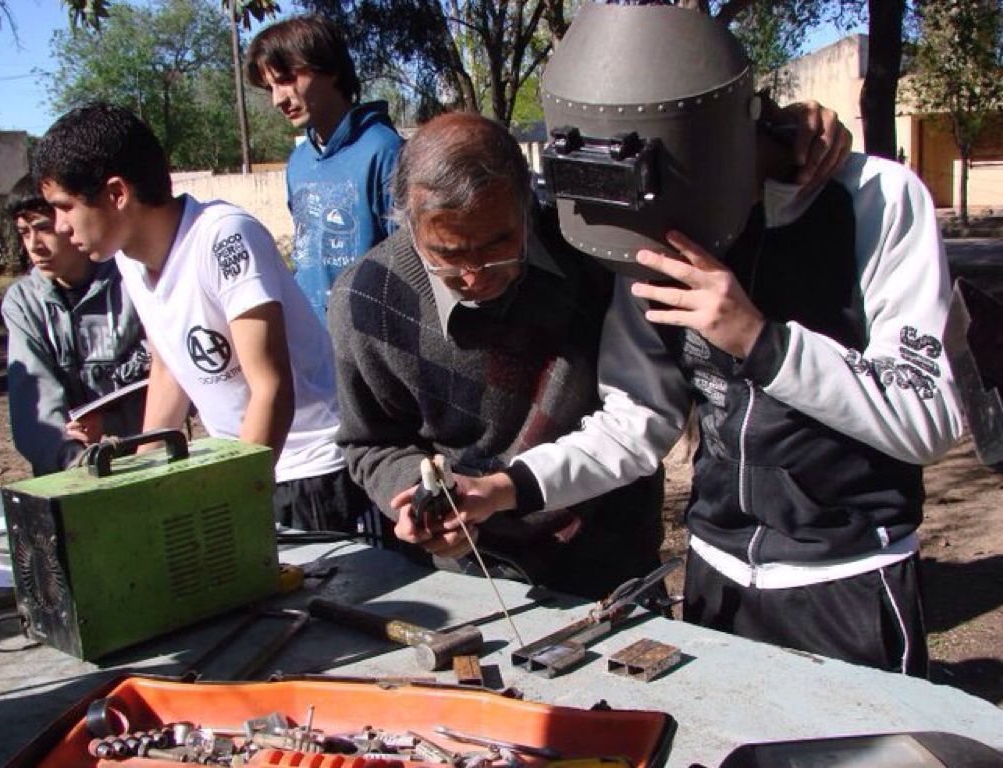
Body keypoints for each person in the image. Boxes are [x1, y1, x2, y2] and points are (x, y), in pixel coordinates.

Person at [449, 5, 965, 675]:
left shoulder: (876, 200)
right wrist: (507, 486)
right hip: (716, 581)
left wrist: (761, 342)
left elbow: (927, 419)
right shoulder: (646, 228)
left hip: (849, 581)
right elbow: (635, 421)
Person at [328, 105, 850, 600]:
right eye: (447, 254)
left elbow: (704, 170)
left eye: (497, 245)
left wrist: (778, 136)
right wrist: (421, 502)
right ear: (407, 222)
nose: (473, 275)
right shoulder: (366, 300)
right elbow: (371, 443)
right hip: (476, 573)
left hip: (615, 556)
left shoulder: (592, 250)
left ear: (526, 203)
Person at [32, 102, 367, 532]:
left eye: (64, 207)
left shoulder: (223, 236)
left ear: (116, 194)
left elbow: (270, 388)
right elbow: (169, 367)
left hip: (307, 471)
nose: (59, 226)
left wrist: (234, 504)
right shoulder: (129, 261)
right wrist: (144, 480)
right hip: (240, 466)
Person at [246, 13, 402, 325]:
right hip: (312, 340)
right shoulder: (298, 162)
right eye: (270, 88)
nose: (277, 99)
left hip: (370, 341)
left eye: (286, 79)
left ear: (329, 69)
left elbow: (412, 266)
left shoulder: (385, 151)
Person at [1, 174, 149, 476]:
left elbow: (172, 382)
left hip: (145, 462)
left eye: (44, 228)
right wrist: (76, 461)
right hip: (67, 477)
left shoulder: (133, 282)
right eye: (24, 232)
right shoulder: (23, 303)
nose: (34, 246)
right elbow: (32, 405)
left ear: (69, 219)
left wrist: (110, 424)